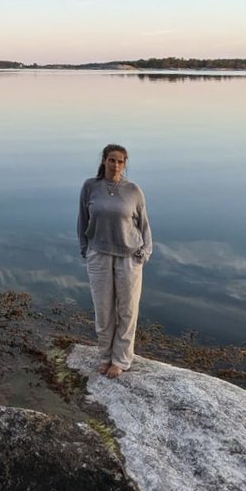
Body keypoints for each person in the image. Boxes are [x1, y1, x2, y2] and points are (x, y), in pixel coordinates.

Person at [77, 143, 152, 379]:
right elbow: (82, 220)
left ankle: (121, 359)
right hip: (98, 254)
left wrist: (145, 252)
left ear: (125, 163)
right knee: (103, 310)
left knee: (127, 310)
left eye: (120, 161)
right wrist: (84, 249)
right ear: (104, 161)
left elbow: (144, 225)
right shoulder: (90, 187)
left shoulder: (133, 191)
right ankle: (105, 356)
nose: (116, 165)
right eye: (112, 160)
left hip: (129, 256)